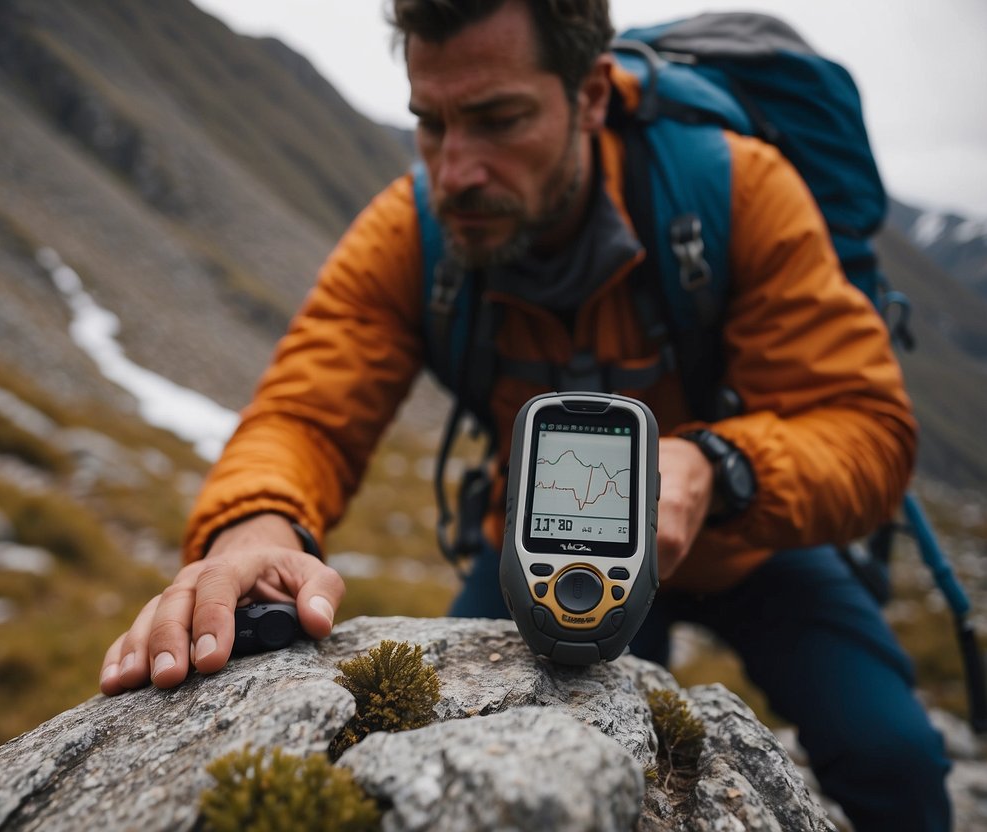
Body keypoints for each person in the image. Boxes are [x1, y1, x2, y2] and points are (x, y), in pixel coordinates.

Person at [99, 1, 950, 827]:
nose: (454, 170)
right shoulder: (413, 233)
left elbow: (864, 426)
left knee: (895, 760)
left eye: (498, 119)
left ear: (588, 95)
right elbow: (306, 411)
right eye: (429, 123)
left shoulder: (735, 190)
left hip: (753, 542)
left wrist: (717, 467)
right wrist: (254, 530)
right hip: (535, 554)